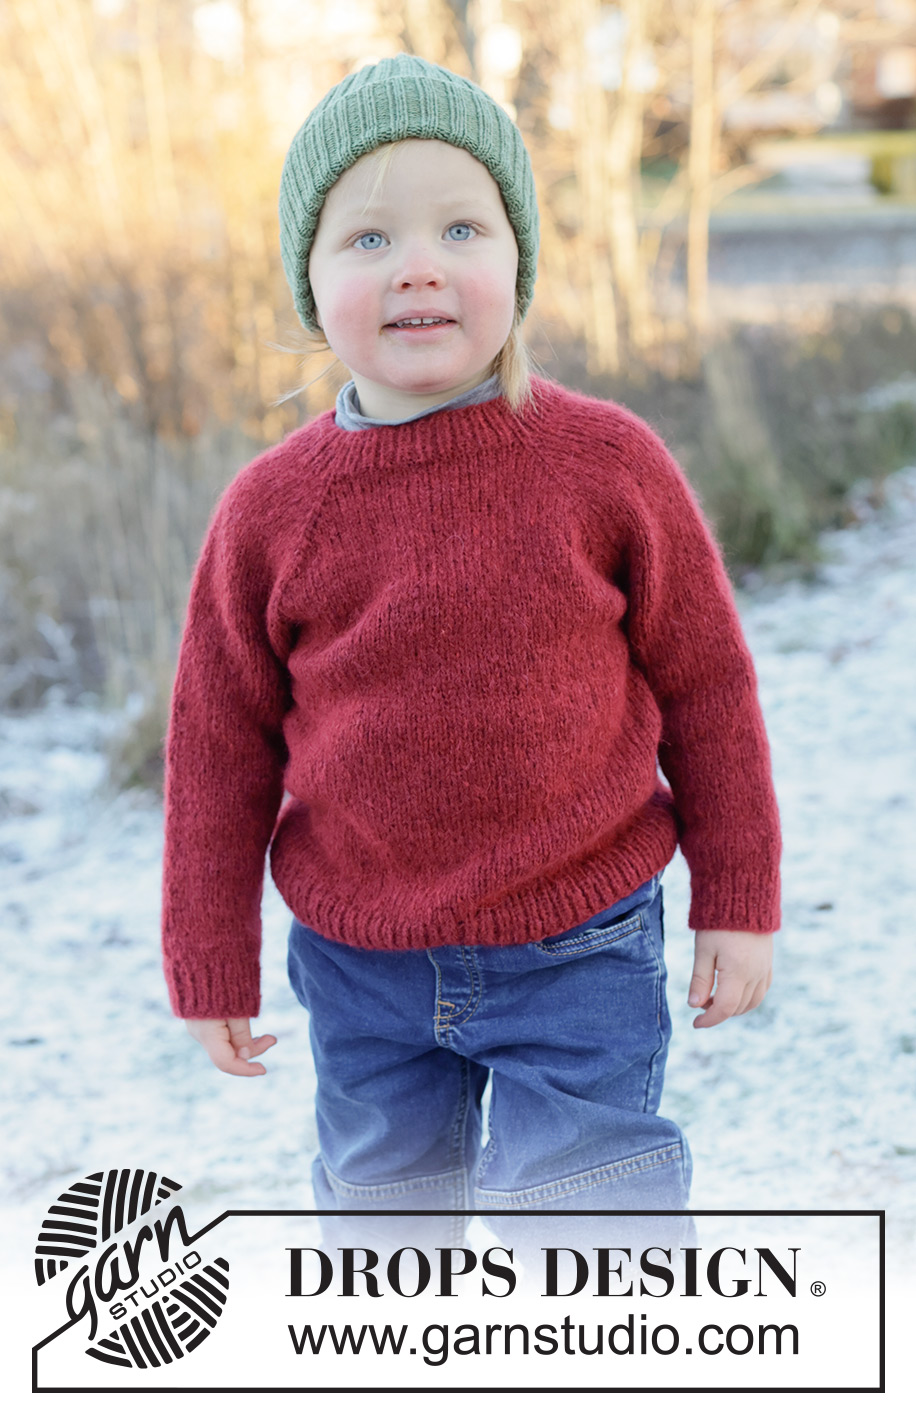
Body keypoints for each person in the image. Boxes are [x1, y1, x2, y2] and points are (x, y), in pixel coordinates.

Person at [161, 54, 780, 1253]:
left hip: (579, 942)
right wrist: (209, 955)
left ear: (517, 262)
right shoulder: (271, 512)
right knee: (385, 1240)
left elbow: (708, 685)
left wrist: (738, 895)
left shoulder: (605, 464)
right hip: (360, 960)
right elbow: (217, 747)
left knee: (592, 1231)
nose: (418, 264)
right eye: (368, 238)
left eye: (460, 227)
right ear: (310, 284)